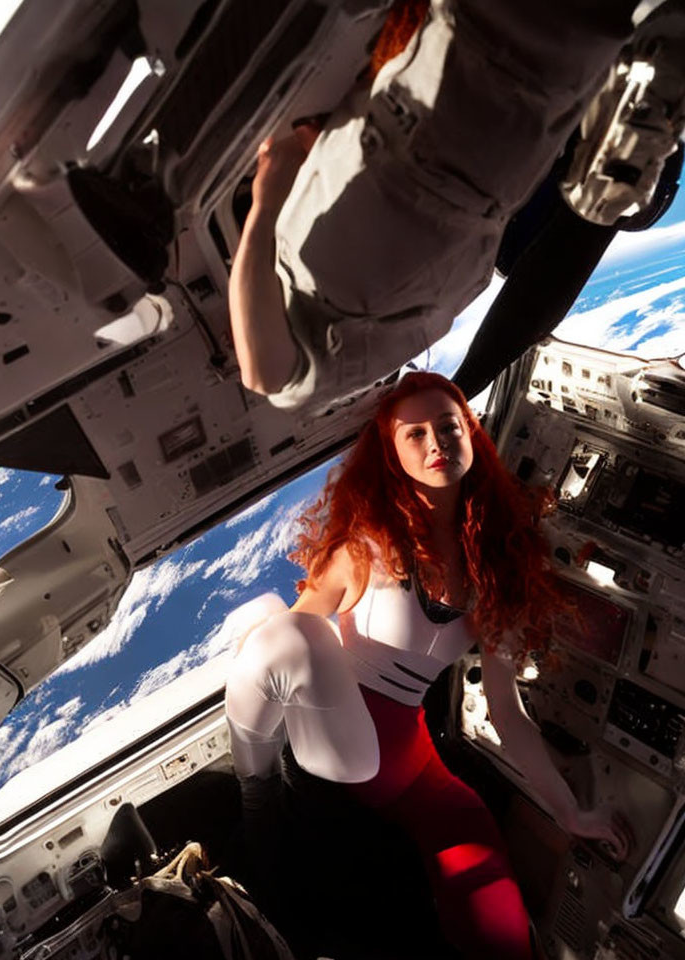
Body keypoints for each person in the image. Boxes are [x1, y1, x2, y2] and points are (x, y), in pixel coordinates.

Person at [223, 371, 633, 959]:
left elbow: (505, 712)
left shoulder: (498, 565)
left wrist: (572, 813)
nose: (436, 442)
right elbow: (288, 653)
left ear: (472, 432)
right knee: (280, 625)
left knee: (501, 922)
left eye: (448, 425)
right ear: (391, 454)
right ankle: (254, 788)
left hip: (414, 771)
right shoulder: (362, 547)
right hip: (338, 749)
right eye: (413, 434)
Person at [229, 0, 642, 411]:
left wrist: (324, 153)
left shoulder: (327, 289)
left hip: (457, 150)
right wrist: (266, 202)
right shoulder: (311, 368)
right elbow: (263, 376)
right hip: (445, 142)